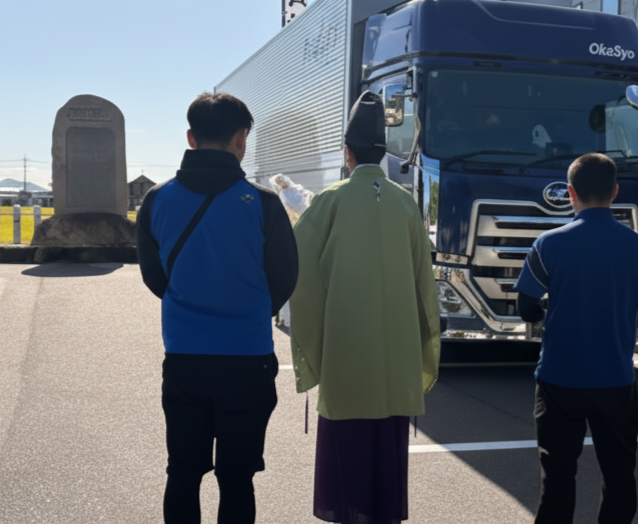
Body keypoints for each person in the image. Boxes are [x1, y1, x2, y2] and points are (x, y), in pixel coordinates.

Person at [136, 92, 299, 524]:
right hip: (247, 359)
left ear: (191, 138)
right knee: (237, 478)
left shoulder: (156, 199)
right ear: (241, 138)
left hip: (184, 356)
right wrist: (247, 309)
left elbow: (154, 276)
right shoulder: (263, 202)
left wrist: (193, 300)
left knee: (183, 472)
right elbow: (285, 277)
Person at [289, 91, 442, 524]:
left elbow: (300, 278)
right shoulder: (405, 204)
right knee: (386, 453)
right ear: (384, 152)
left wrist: (315, 348)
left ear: (347, 152)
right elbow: (424, 284)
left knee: (348, 460)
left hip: (345, 354)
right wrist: (422, 347)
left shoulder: (329, 201)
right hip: (396, 356)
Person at [513, 152, 638, 524]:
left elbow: (526, 307)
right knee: (619, 474)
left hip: (559, 378)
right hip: (617, 378)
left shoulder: (548, 244)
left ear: (570, 192)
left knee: (558, 476)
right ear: (614, 192)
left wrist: (553, 314)